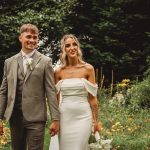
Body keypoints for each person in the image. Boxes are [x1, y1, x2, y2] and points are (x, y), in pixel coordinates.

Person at [0, 23, 60, 150]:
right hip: (15, 117)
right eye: (29, 37)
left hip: (36, 118)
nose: (32, 40)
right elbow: (4, 92)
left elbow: (50, 90)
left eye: (35, 37)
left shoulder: (45, 61)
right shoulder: (9, 62)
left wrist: (55, 119)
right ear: (20, 38)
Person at [50, 34, 101, 150]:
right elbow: (55, 100)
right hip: (64, 117)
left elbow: (92, 98)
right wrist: (55, 120)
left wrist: (96, 121)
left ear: (78, 47)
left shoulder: (88, 69)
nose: (72, 48)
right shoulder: (58, 71)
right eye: (68, 46)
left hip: (83, 116)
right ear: (64, 50)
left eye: (74, 45)